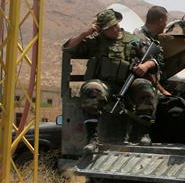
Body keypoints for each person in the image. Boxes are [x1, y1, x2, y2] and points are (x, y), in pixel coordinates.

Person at [63, 9, 159, 149]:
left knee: (144, 87)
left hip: (128, 84)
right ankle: (93, 139)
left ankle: (143, 134)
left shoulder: (132, 40)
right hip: (104, 85)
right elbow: (67, 48)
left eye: (116, 25)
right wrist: (86, 33)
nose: (115, 29)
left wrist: (145, 66)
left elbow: (154, 61)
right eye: (109, 28)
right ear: (101, 30)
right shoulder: (95, 42)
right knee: (92, 89)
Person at [133, 5, 170, 96]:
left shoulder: (153, 38)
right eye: (166, 21)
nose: (166, 24)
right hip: (148, 87)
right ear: (161, 21)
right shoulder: (140, 38)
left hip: (158, 84)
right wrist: (163, 91)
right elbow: (147, 74)